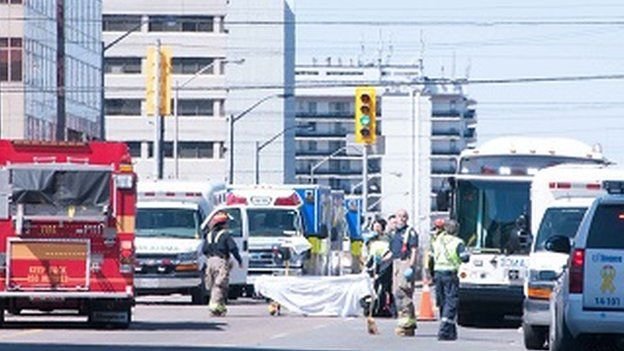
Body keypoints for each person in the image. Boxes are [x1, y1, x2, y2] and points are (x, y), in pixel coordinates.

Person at [428, 219, 469, 341]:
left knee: (443, 302)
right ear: (456, 230)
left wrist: (431, 274)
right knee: (451, 303)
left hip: (438, 273)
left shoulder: (437, 240)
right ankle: (444, 330)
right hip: (450, 274)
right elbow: (464, 258)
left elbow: (430, 259)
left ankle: (451, 332)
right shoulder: (458, 242)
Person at [202, 211, 243, 316]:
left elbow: (204, 250)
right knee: (220, 285)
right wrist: (239, 260)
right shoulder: (225, 235)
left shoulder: (208, 235)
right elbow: (233, 248)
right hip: (221, 261)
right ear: (223, 224)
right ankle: (214, 307)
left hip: (209, 261)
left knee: (212, 285)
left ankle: (220, 307)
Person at [389, 209, 419, 336]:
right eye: (399, 216)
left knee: (403, 292)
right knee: (396, 292)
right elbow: (392, 251)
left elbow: (414, 250)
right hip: (396, 262)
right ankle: (408, 323)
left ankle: (405, 325)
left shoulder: (409, 232)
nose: (402, 219)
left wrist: (411, 266)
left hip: (405, 262)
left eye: (404, 216)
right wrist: (380, 260)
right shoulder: (394, 233)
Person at [362, 219, 394, 317]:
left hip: (385, 264)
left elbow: (392, 251)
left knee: (383, 288)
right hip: (371, 264)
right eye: (375, 226)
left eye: (378, 226)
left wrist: (385, 259)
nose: (376, 228)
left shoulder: (388, 238)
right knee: (370, 287)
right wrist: (365, 263)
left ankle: (381, 308)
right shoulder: (369, 238)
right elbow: (365, 252)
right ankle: (370, 308)